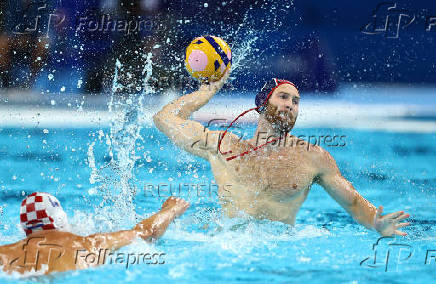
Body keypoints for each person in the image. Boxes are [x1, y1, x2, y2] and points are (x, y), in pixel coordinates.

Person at [153, 69, 410, 237]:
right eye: (283, 97)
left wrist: (376, 222)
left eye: (296, 102)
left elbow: (353, 202)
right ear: (263, 104)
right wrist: (205, 92)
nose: (290, 105)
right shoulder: (224, 146)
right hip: (227, 244)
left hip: (280, 249)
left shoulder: (313, 157)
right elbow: (164, 118)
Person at [0, 192, 189, 274]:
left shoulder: (4, 253)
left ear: (25, 229)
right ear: (60, 219)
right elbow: (146, 232)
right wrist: (171, 209)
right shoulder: (92, 243)